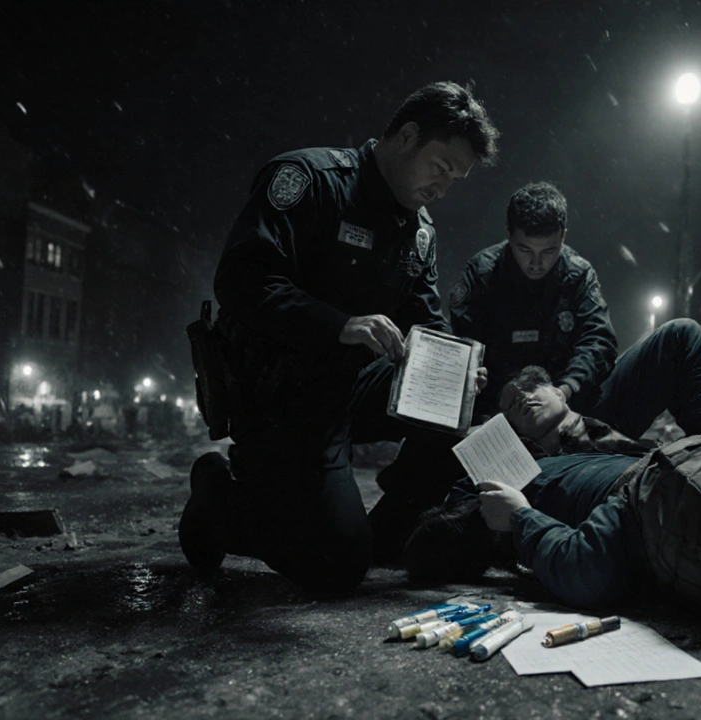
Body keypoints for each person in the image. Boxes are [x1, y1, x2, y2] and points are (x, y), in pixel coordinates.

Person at [179, 81, 500, 592]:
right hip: (280, 393)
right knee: (335, 568)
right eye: (441, 168)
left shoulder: (419, 230)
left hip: (349, 389)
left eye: (455, 180)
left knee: (452, 417)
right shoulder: (310, 180)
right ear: (408, 136)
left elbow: (425, 320)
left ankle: (376, 536)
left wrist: (456, 370)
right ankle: (219, 496)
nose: (443, 188)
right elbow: (242, 279)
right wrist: (339, 325)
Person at [405, 318, 701, 608]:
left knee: (682, 333)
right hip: (654, 502)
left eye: (531, 388)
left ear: (560, 393)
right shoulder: (524, 472)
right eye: (511, 405)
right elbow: (435, 539)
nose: (523, 397)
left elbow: (599, 339)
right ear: (507, 427)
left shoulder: (603, 424)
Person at [448, 182, 617, 419]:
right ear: (509, 234)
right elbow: (464, 348)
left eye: (549, 251)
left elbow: (598, 341)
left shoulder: (578, 275)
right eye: (525, 249)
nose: (536, 263)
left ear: (563, 236)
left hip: (565, 403)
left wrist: (565, 390)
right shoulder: (481, 275)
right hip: (496, 411)